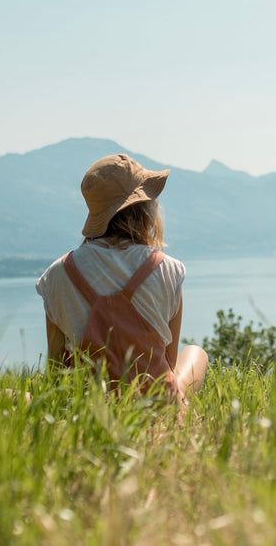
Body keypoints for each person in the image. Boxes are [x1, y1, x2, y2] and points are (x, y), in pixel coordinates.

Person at [36, 154, 208, 403]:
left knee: (12, 396)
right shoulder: (168, 269)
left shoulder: (57, 273)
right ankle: (183, 408)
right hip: (156, 404)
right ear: (144, 208)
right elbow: (168, 365)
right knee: (195, 352)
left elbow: (56, 368)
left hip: (89, 406)